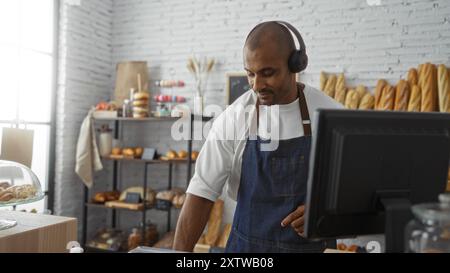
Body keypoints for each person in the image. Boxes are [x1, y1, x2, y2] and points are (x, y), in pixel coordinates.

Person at [174, 21, 343, 253]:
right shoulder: (233, 118)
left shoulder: (332, 115)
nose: (256, 85)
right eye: (250, 74)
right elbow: (201, 194)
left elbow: (362, 191)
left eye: (267, 73)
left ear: (295, 65)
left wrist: (327, 212)